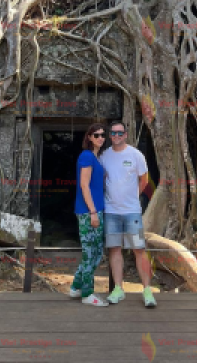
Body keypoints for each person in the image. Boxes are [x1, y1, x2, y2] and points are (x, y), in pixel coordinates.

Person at [102, 122, 157, 308]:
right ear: (110, 135)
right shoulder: (105, 156)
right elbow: (102, 179)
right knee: (114, 249)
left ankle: (147, 290)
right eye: (113, 133)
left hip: (132, 211)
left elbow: (144, 180)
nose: (116, 135)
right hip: (111, 212)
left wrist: (133, 196)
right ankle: (118, 288)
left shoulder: (135, 155)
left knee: (139, 250)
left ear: (125, 134)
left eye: (120, 132)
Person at [71, 124, 109, 305]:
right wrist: (93, 212)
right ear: (89, 137)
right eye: (96, 135)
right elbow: (84, 185)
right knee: (90, 253)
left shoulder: (96, 157)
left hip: (96, 211)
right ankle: (87, 294)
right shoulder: (86, 156)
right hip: (89, 212)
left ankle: (75, 287)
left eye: (103, 135)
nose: (101, 138)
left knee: (96, 252)